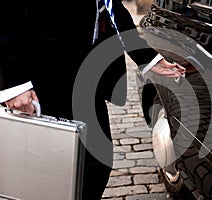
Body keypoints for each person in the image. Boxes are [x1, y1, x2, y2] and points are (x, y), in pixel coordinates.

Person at [0, 0, 185, 199]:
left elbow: (112, 7)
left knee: (96, 164)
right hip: (43, 74)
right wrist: (15, 84)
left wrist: (147, 58)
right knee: (48, 169)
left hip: (87, 75)